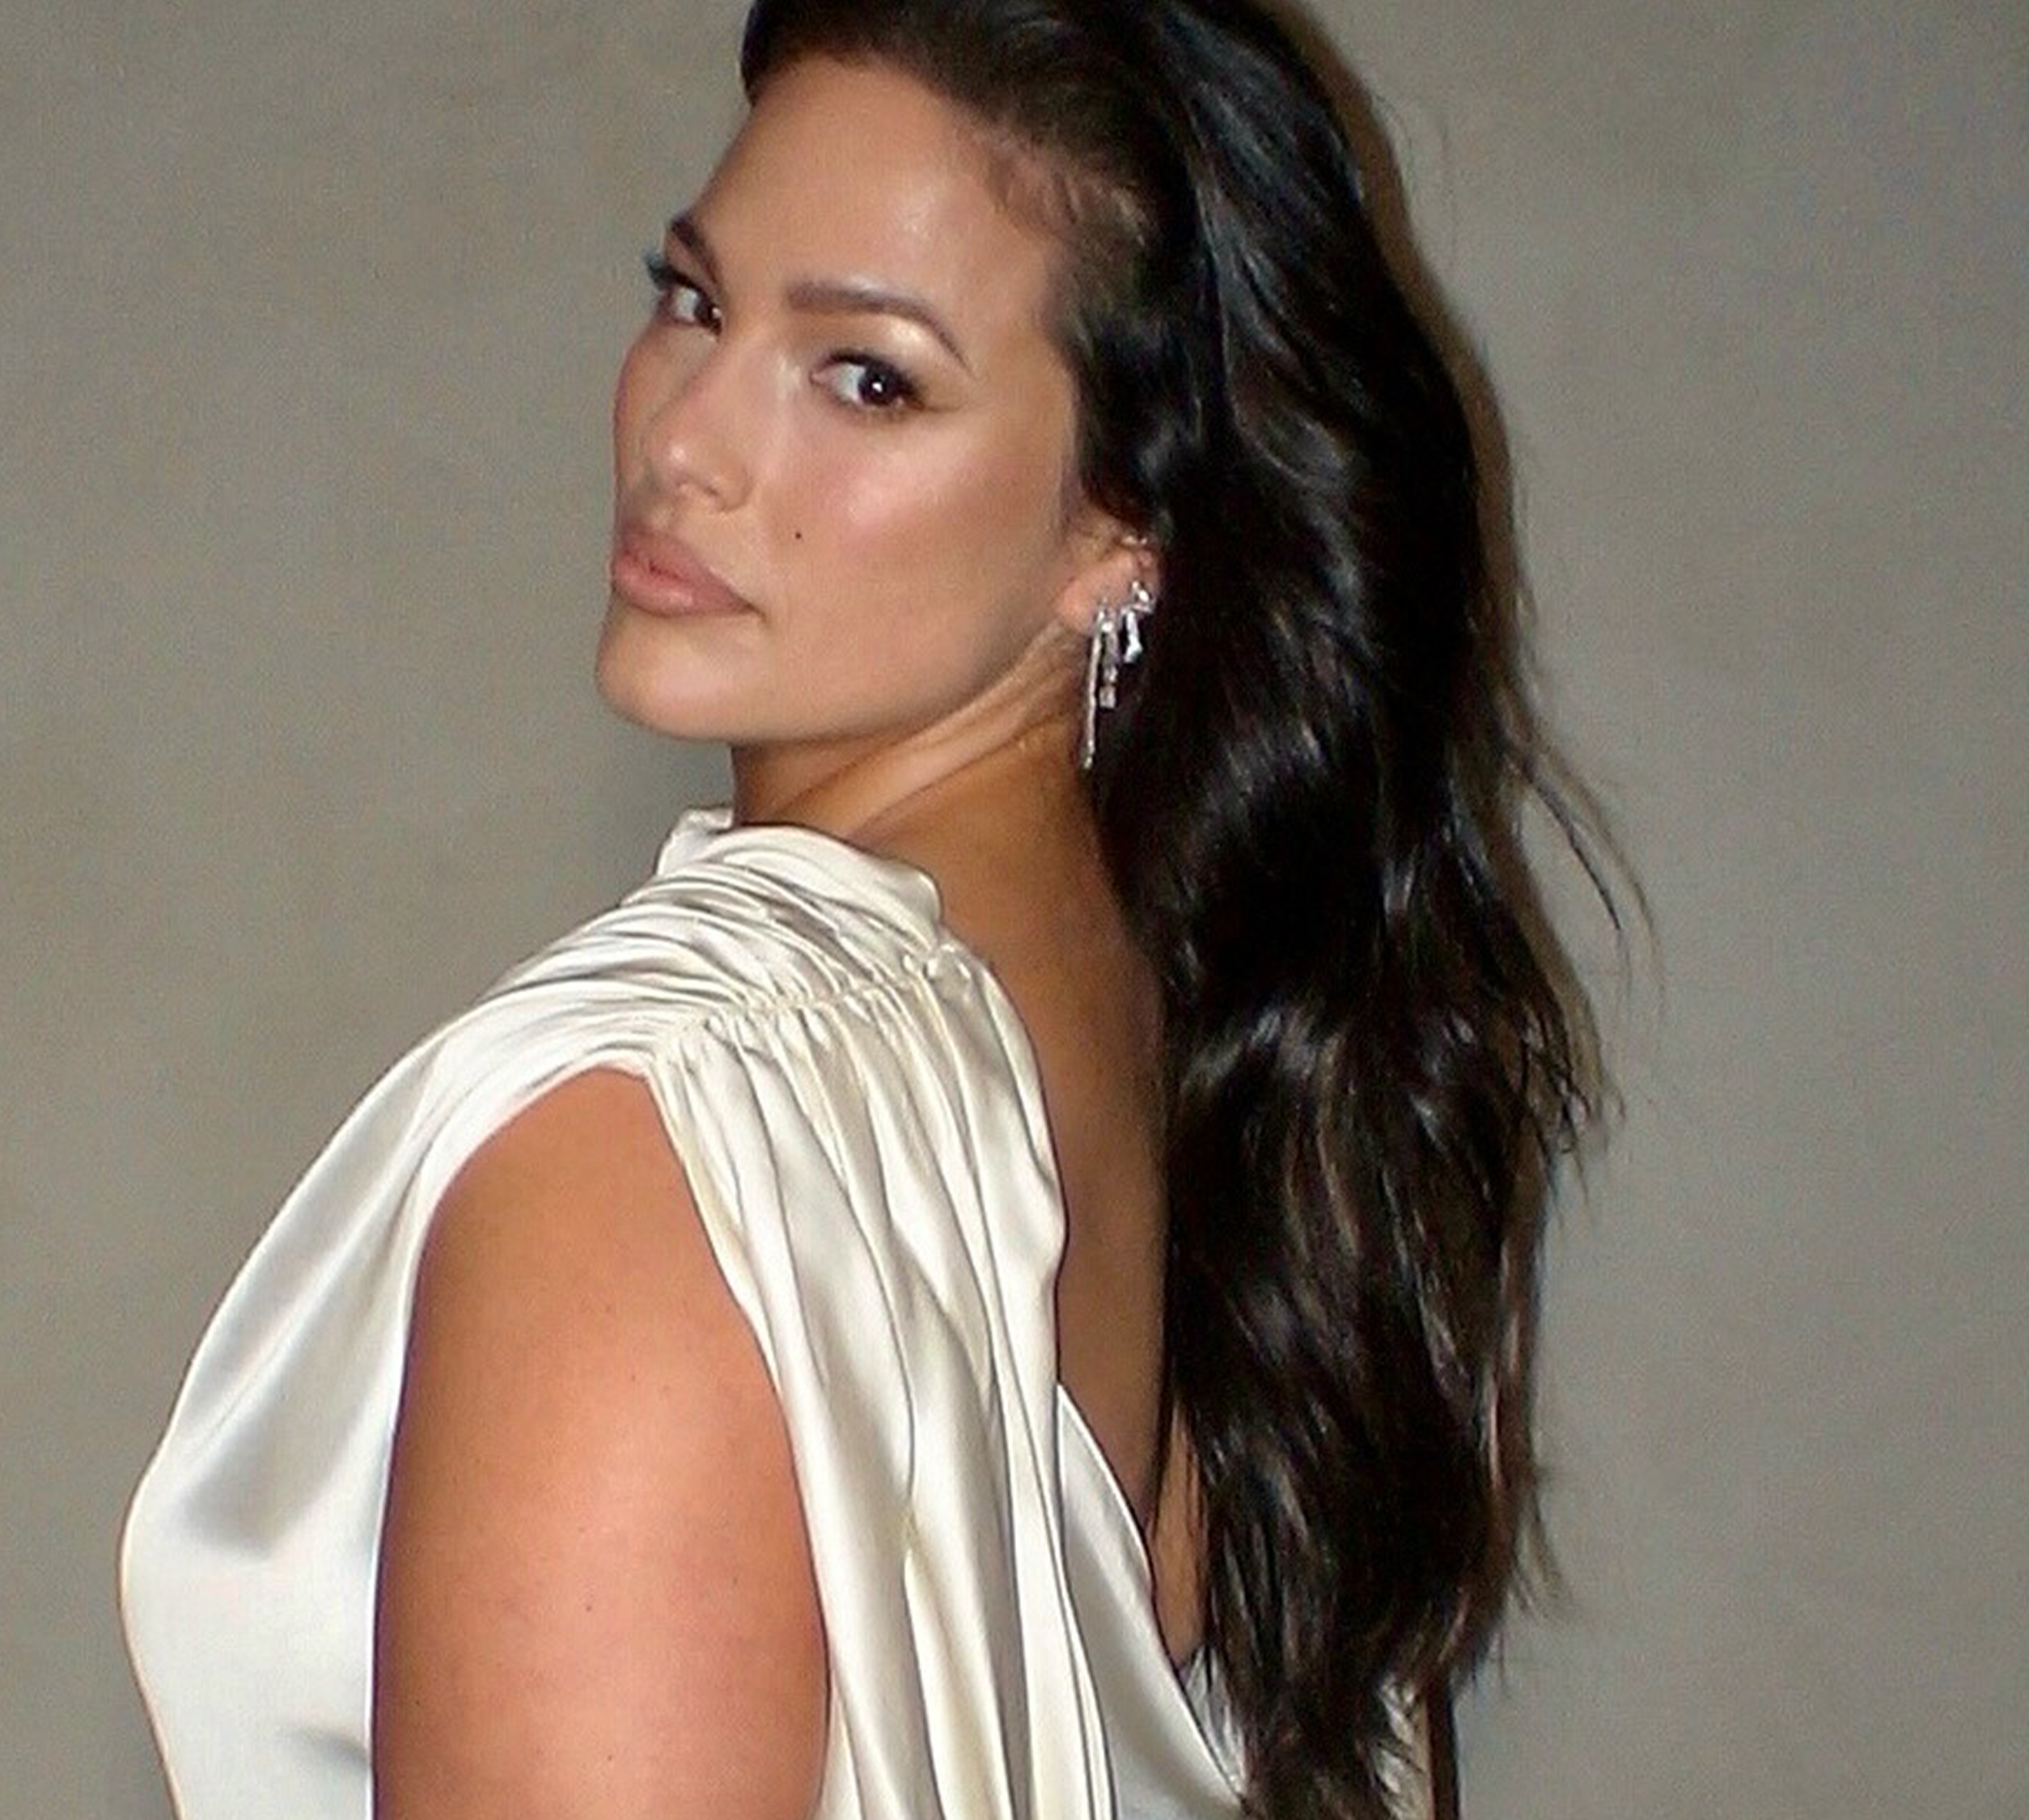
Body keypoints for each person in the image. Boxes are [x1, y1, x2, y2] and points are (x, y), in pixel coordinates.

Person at [120, 2, 1608, 1816]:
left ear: (1119, 530)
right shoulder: (1195, 1076)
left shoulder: (660, 1139)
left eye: (866, 376)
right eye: (693, 300)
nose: (688, 440)